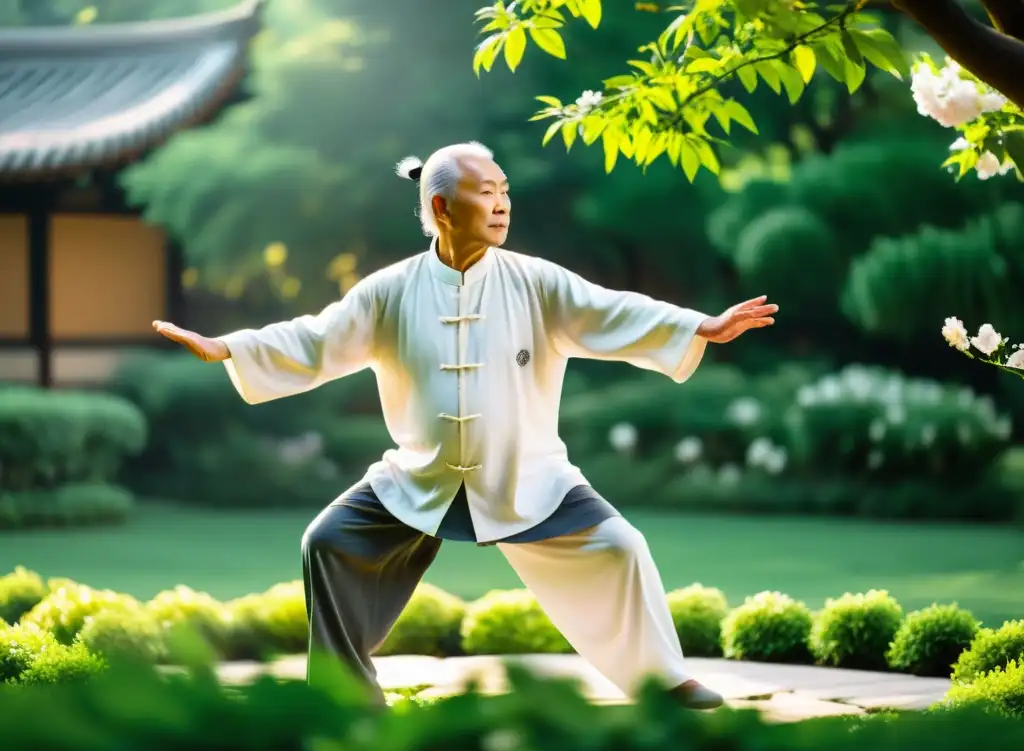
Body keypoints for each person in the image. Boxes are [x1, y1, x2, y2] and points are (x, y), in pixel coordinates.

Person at [153, 141, 778, 710]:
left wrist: (700, 326)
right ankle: (345, 696)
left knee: (622, 548)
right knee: (328, 541)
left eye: (505, 190)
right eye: (486, 192)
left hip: (529, 477)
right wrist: (230, 347)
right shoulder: (388, 291)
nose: (503, 203)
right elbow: (317, 337)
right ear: (442, 207)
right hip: (417, 479)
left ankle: (665, 680)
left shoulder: (536, 282)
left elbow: (612, 309)